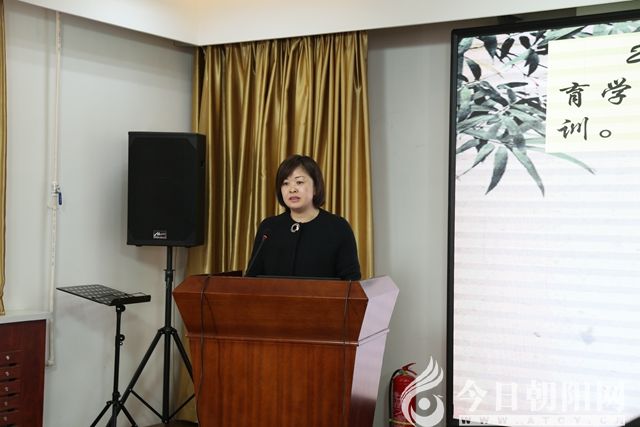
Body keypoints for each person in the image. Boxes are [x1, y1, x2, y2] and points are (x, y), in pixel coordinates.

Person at [245, 154, 361, 280]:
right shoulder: (269, 228)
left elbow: (351, 282)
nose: (292, 189)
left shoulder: (338, 228)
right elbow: (251, 279)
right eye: (285, 183)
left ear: (315, 187)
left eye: (299, 182)